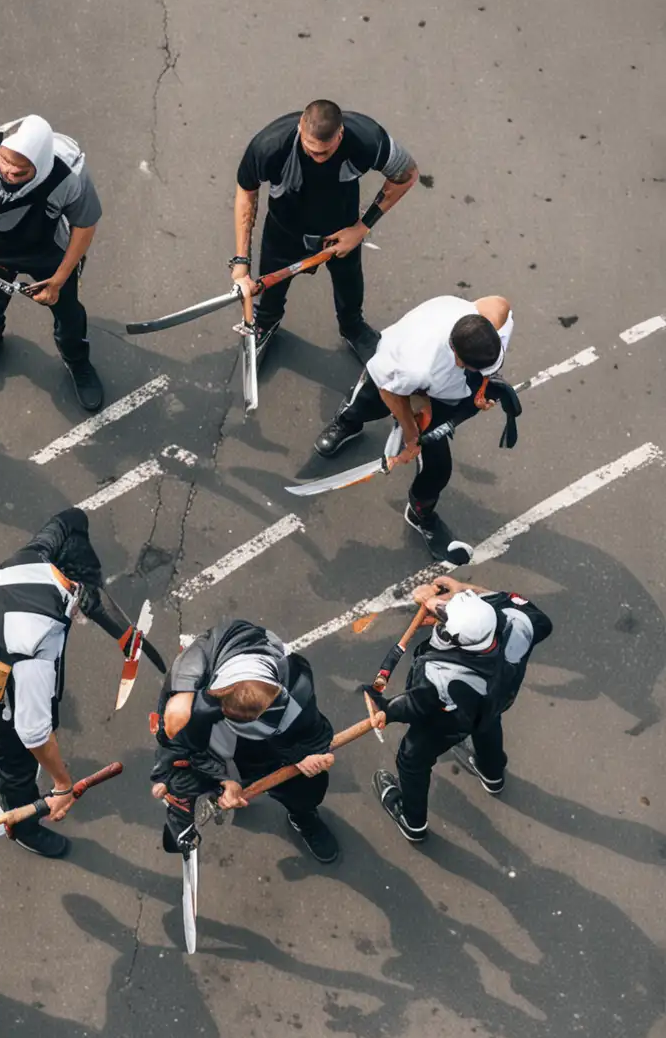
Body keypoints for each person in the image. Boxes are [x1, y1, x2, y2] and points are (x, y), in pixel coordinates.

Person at [0, 507, 108, 861]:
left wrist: (77, 525)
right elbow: (34, 732)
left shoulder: (32, 558)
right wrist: (62, 784)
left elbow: (69, 518)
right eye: (83, 601)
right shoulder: (38, 643)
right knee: (19, 759)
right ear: (74, 589)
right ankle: (23, 828)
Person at [315, 291, 521, 554]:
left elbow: (499, 302)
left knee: (438, 468)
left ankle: (419, 512)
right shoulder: (415, 366)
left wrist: (481, 390)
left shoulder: (492, 316)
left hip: (445, 386)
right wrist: (411, 433)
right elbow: (391, 392)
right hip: (393, 374)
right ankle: (347, 421)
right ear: (458, 359)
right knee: (367, 404)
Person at [232, 98, 418, 364]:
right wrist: (241, 262)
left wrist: (360, 229)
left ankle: (353, 327)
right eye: (311, 150)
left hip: (340, 234)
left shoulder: (366, 139)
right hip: (284, 231)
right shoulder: (269, 146)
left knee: (349, 285)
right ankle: (266, 323)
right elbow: (246, 193)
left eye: (325, 152)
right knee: (271, 289)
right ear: (300, 128)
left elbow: (407, 174)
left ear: (340, 134)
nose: (317, 158)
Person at [0, 113, 105, 413]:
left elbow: (84, 227)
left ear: (40, 165)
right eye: (4, 163)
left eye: (20, 172)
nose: (8, 174)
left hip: (49, 249)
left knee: (69, 313)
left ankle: (77, 359)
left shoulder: (70, 175)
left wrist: (58, 280)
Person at [369, 578, 553, 844]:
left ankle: (413, 823)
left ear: (450, 637)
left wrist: (385, 709)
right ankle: (492, 774)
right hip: (496, 699)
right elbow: (529, 616)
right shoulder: (518, 622)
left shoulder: (439, 676)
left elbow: (415, 706)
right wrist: (462, 588)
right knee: (488, 725)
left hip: (451, 720)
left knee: (412, 759)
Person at [151, 619, 339, 865]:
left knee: (306, 789)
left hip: (281, 747)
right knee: (189, 772)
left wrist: (308, 755)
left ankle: (302, 815)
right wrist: (220, 783)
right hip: (220, 745)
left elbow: (316, 735)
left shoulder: (297, 686)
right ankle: (224, 789)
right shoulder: (185, 699)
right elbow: (177, 753)